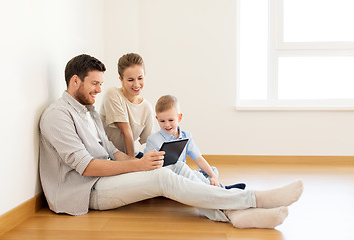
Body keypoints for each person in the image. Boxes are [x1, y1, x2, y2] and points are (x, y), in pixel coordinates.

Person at [39, 54, 304, 229]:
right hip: (86, 191)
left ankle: (234, 214)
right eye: (94, 84)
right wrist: (138, 167)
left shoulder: (89, 112)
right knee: (162, 179)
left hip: (106, 178)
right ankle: (254, 199)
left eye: (100, 83)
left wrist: (139, 161)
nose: (98, 90)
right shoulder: (57, 116)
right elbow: (86, 167)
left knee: (173, 167)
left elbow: (110, 151)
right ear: (75, 81)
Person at [145, 95, 246, 190]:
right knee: (181, 166)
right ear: (157, 119)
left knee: (212, 170)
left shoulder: (186, 136)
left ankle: (213, 186)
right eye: (162, 121)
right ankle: (222, 189)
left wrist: (213, 177)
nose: (167, 124)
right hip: (170, 178)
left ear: (179, 117)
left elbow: (198, 159)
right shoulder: (153, 140)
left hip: (185, 175)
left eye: (171, 120)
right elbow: (147, 168)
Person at [100, 53, 154, 158]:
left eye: (140, 78)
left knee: (168, 169)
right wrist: (132, 164)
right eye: (130, 80)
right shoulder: (113, 94)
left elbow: (150, 141)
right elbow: (126, 131)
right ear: (121, 79)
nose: (136, 84)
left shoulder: (147, 107)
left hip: (131, 154)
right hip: (109, 156)